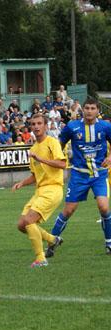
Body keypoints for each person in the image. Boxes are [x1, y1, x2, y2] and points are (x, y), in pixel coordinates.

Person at [47, 99, 111, 256]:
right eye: (87, 108)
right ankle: (51, 243)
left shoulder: (105, 127)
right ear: (82, 109)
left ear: (97, 111)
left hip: (99, 174)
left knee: (103, 207)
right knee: (68, 210)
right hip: (78, 175)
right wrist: (58, 158)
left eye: (93, 108)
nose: (89, 111)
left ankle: (109, 243)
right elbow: (59, 144)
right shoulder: (72, 127)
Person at [11, 114, 67, 267]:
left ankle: (41, 258)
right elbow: (35, 176)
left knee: (29, 221)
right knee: (22, 225)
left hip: (53, 189)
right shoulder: (33, 149)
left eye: (39, 123)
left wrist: (41, 159)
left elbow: (62, 164)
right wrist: (21, 183)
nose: (36, 126)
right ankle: (53, 240)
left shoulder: (52, 143)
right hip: (40, 191)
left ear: (45, 126)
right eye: (33, 124)